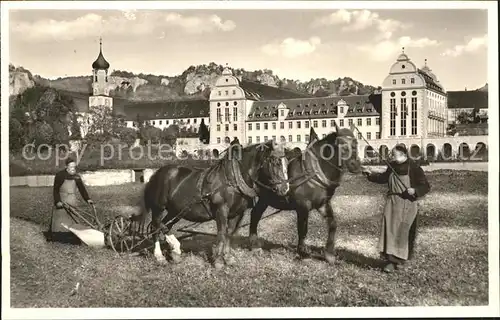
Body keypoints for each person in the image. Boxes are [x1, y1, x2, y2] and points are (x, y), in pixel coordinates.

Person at [362, 144, 430, 273]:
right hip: (392, 203)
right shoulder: (392, 166)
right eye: (392, 154)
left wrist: (415, 190)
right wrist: (370, 175)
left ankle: (401, 260)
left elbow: (425, 186)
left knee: (403, 232)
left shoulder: (414, 168)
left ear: (403, 154)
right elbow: (383, 178)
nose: (392, 156)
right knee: (390, 231)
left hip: (407, 204)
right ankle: (390, 261)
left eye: (394, 154)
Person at [47, 157, 93, 244]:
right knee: (61, 219)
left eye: (74, 167)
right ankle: (57, 237)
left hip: (72, 200)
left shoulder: (77, 177)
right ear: (66, 167)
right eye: (71, 167)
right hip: (62, 199)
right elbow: (55, 190)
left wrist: (88, 199)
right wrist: (58, 201)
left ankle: (72, 236)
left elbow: (82, 189)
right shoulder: (60, 175)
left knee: (72, 219)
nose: (73, 169)